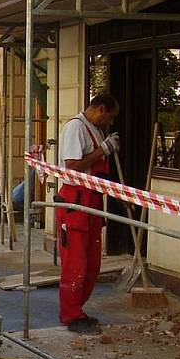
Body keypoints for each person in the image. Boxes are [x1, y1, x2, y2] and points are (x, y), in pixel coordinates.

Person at [56, 93, 120, 334]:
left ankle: (78, 310)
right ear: (101, 109)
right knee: (76, 263)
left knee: (92, 264)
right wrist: (101, 150)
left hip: (91, 202)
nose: (109, 123)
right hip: (76, 203)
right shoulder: (76, 128)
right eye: (110, 117)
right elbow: (72, 167)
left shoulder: (94, 130)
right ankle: (71, 315)